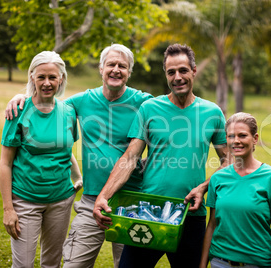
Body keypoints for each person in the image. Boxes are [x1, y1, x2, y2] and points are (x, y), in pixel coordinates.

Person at [4, 44, 153, 267]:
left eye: (122, 66)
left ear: (129, 72)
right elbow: (47, 103)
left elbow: (169, 121)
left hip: (131, 201)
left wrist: (149, 163)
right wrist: (21, 97)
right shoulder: (82, 101)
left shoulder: (144, 102)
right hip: (92, 200)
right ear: (101, 69)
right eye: (110, 64)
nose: (116, 70)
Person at [93, 44, 230, 268]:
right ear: (165, 74)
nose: (177, 77)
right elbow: (130, 158)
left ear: (194, 71)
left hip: (190, 215)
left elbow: (229, 159)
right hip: (148, 211)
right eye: (171, 72)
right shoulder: (149, 109)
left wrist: (204, 187)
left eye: (183, 70)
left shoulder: (212, 112)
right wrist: (103, 196)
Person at [0, 51, 83, 267]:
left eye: (52, 77)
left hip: (61, 200)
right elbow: (5, 164)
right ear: (32, 78)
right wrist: (8, 208)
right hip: (25, 201)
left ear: (61, 79)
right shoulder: (17, 111)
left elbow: (65, 151)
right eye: (41, 77)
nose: (47, 83)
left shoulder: (68, 112)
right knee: (23, 264)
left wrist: (78, 177)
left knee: (52, 263)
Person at [199, 112, 271, 268]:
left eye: (242, 135)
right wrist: (202, 265)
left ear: (255, 138)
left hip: (257, 263)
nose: (236, 141)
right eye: (231, 136)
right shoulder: (217, 179)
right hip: (220, 262)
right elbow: (212, 225)